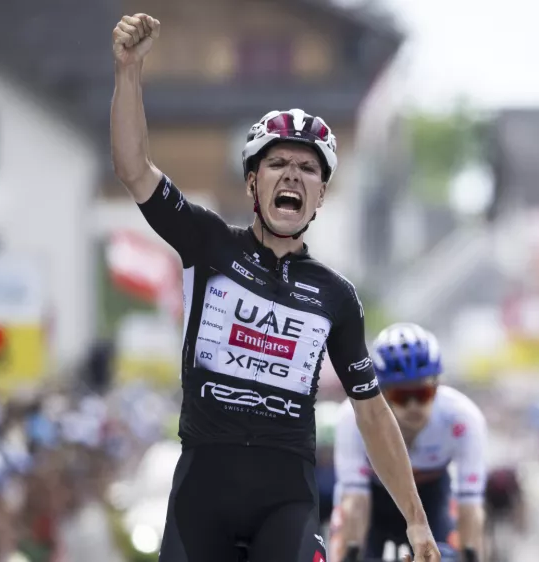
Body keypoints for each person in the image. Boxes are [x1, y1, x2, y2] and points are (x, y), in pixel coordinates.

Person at [110, 13, 440, 562]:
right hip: (203, 486)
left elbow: (373, 413)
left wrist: (417, 522)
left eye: (308, 169)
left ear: (321, 196)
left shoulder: (336, 296)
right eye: (278, 164)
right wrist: (128, 71)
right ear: (251, 183)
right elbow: (132, 168)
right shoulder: (208, 242)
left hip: (286, 495)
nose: (292, 175)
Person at [331, 323, 487, 562]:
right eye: (402, 396)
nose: (414, 406)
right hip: (371, 500)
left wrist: (470, 554)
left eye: (423, 393)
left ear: (437, 385)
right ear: (381, 393)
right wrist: (350, 553)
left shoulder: (463, 417)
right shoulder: (353, 417)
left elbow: (470, 509)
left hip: (431, 498)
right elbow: (355, 502)